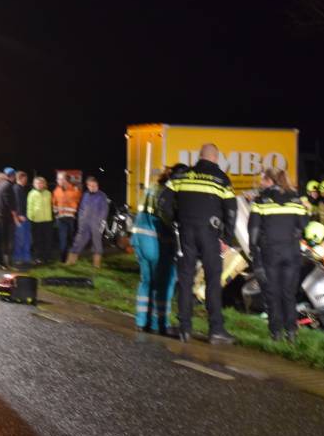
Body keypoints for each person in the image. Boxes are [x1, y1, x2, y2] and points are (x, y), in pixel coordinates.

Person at [160, 143, 237, 345]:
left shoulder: (182, 176)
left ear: (199, 157)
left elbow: (163, 203)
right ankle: (216, 330)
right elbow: (231, 210)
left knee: (185, 280)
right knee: (213, 280)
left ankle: (184, 328)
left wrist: (175, 220)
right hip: (210, 234)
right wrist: (227, 239)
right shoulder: (221, 179)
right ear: (215, 158)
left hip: (185, 233)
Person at [248, 167, 308, 342]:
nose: (260, 183)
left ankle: (276, 332)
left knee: (273, 293)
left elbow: (253, 229)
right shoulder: (296, 199)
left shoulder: (261, 200)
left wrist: (254, 251)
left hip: (271, 253)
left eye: (262, 180)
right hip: (292, 253)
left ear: (270, 181)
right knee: (288, 294)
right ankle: (291, 332)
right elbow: (304, 225)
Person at [132, 167, 178, 334]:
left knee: (146, 280)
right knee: (166, 281)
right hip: (156, 241)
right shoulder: (170, 191)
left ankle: (141, 320)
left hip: (139, 238)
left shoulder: (152, 187)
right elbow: (168, 218)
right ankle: (159, 324)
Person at [66, 176, 109, 268]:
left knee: (97, 243)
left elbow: (104, 210)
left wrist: (100, 221)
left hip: (96, 224)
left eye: (95, 185)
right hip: (84, 223)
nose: (93, 187)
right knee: (78, 241)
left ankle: (96, 263)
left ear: (97, 185)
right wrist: (80, 220)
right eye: (91, 185)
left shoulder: (102, 195)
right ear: (88, 186)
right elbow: (81, 208)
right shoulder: (85, 195)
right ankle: (71, 260)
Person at [53, 171, 82, 262]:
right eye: (58, 179)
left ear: (66, 180)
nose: (58, 180)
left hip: (72, 219)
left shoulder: (75, 190)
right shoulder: (56, 191)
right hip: (61, 219)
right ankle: (63, 259)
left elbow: (80, 203)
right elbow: (54, 204)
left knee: (72, 239)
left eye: (60, 178)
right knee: (62, 239)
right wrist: (56, 214)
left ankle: (73, 257)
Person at [0, 167, 18, 269]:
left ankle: (2, 262)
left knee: (2, 239)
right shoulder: (8, 185)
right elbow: (8, 201)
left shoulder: (1, 184)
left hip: (0, 214)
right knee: (6, 240)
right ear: (12, 176)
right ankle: (5, 263)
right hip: (5, 216)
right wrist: (14, 214)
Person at [27, 176, 53, 264]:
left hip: (47, 220)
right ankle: (38, 257)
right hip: (36, 221)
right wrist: (31, 217)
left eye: (41, 183)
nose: (39, 185)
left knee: (48, 239)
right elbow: (29, 206)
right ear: (34, 184)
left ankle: (47, 257)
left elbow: (52, 205)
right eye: (37, 183)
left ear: (44, 184)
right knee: (38, 240)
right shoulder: (32, 193)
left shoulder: (48, 193)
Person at [12, 171, 32, 265]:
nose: (26, 180)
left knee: (26, 238)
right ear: (20, 178)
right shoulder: (16, 189)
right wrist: (19, 215)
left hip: (26, 216)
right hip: (21, 217)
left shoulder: (22, 188)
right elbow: (17, 203)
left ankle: (26, 258)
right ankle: (18, 258)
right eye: (25, 179)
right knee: (20, 239)